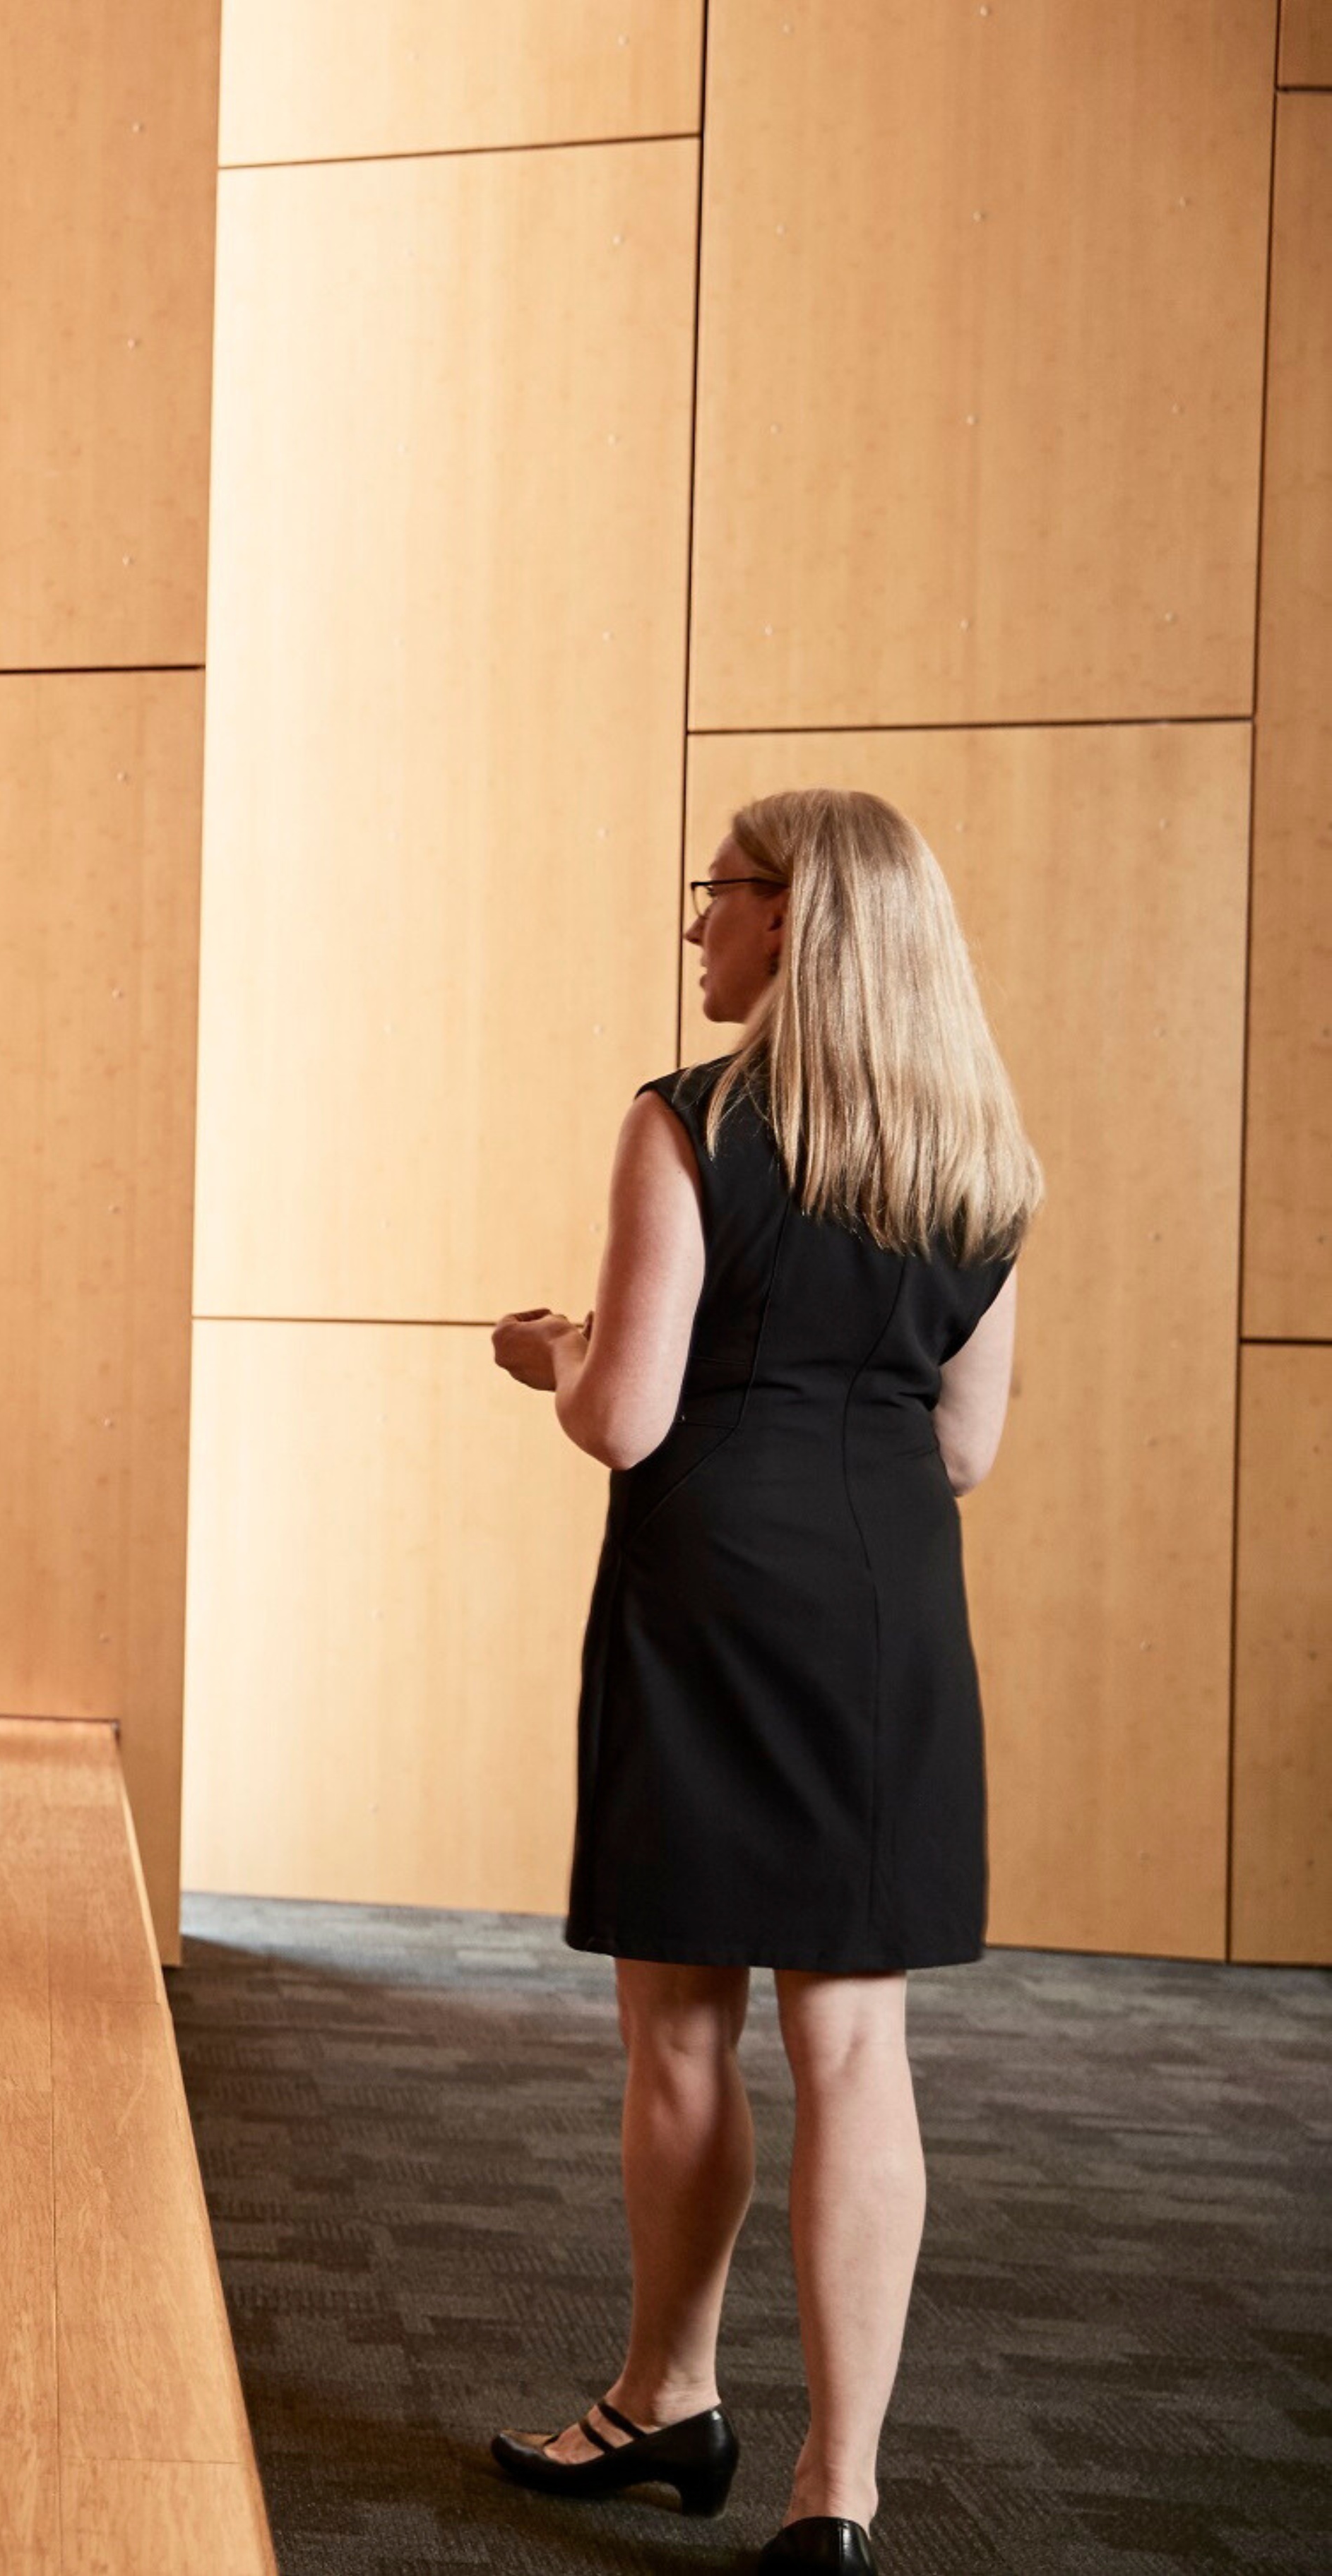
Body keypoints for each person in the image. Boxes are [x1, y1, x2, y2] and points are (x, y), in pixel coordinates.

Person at [481, 789, 1035, 2576]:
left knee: (681, 2027)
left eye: (713, 895)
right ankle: (837, 2494)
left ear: (794, 921)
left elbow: (623, 1414)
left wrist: (550, 1351)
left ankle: (665, 2392)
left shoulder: (688, 1123)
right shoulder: (977, 1158)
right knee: (857, 2041)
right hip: (887, 1615)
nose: (694, 925)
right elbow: (961, 1448)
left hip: (707, 1591)